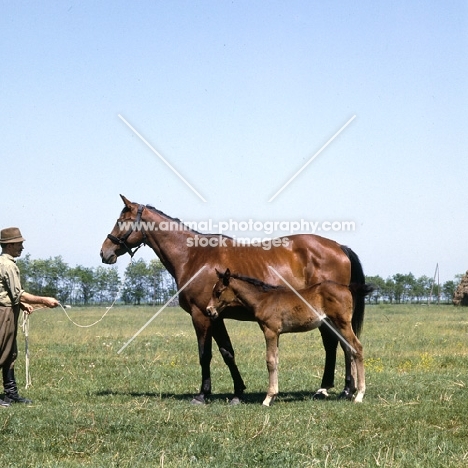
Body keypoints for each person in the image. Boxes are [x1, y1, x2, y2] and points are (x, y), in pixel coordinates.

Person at [0, 227, 59, 407]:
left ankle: (10, 394)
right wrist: (43, 300)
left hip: (10, 310)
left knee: (10, 353)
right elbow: (19, 293)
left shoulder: (6, 262)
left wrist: (22, 304)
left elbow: (10, 293)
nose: (22, 247)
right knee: (1, 352)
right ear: (9, 245)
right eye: (19, 244)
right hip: (4, 313)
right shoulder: (7, 265)